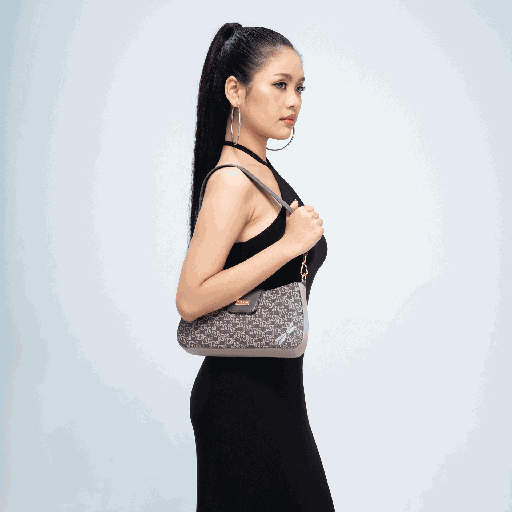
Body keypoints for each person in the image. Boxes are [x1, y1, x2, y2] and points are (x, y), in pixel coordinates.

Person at [175, 23, 332, 512]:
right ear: (235, 91)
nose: (294, 101)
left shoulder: (261, 173)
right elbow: (191, 298)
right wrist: (288, 246)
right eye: (280, 84)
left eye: (300, 88)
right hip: (240, 404)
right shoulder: (232, 180)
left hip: (278, 397)